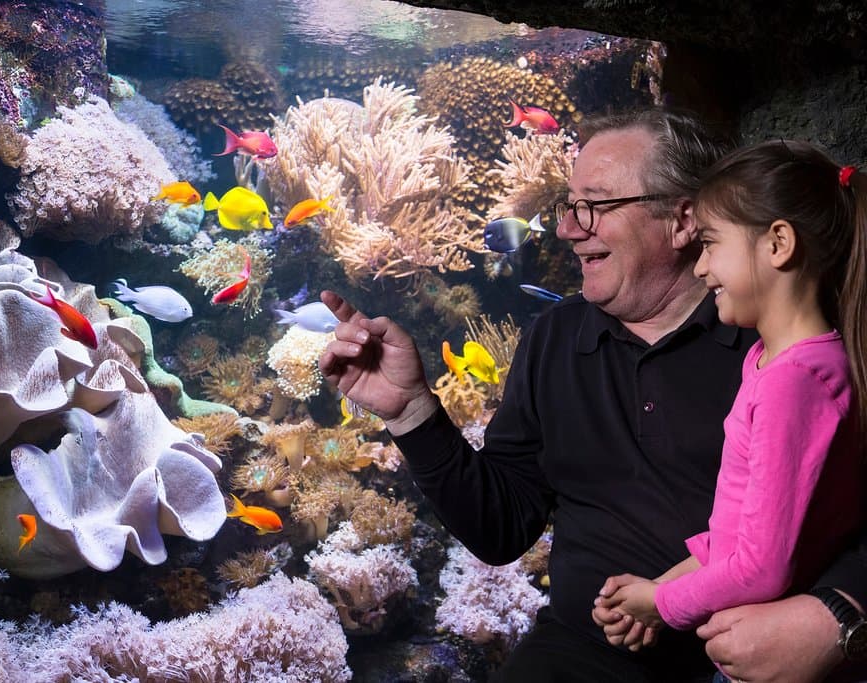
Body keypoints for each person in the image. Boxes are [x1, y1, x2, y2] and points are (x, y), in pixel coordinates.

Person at [318, 108, 867, 682]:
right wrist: (412, 413)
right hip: (588, 652)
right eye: (567, 206)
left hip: (767, 654)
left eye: (595, 206)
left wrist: (837, 618)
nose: (566, 229)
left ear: (681, 221)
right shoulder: (553, 338)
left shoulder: (790, 346)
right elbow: (499, 527)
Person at [592, 139, 867, 678]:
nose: (700, 268)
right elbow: (738, 528)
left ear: (778, 244)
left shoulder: (797, 382)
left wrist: (662, 603)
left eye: (712, 243)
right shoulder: (769, 360)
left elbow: (762, 568)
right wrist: (661, 589)